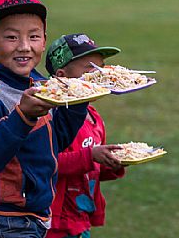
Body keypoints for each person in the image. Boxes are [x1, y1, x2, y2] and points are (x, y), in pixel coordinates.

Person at [0, 0, 89, 238]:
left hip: (39, 214)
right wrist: (22, 116)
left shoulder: (42, 84)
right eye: (11, 37)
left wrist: (79, 100)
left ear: (44, 40)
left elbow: (58, 140)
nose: (24, 46)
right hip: (3, 220)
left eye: (33, 36)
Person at [44, 33, 126, 238]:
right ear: (62, 76)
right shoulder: (51, 117)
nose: (100, 75)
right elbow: (44, 163)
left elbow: (94, 167)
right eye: (90, 68)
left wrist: (114, 161)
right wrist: (91, 155)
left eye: (102, 68)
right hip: (53, 223)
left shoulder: (93, 117)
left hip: (81, 221)